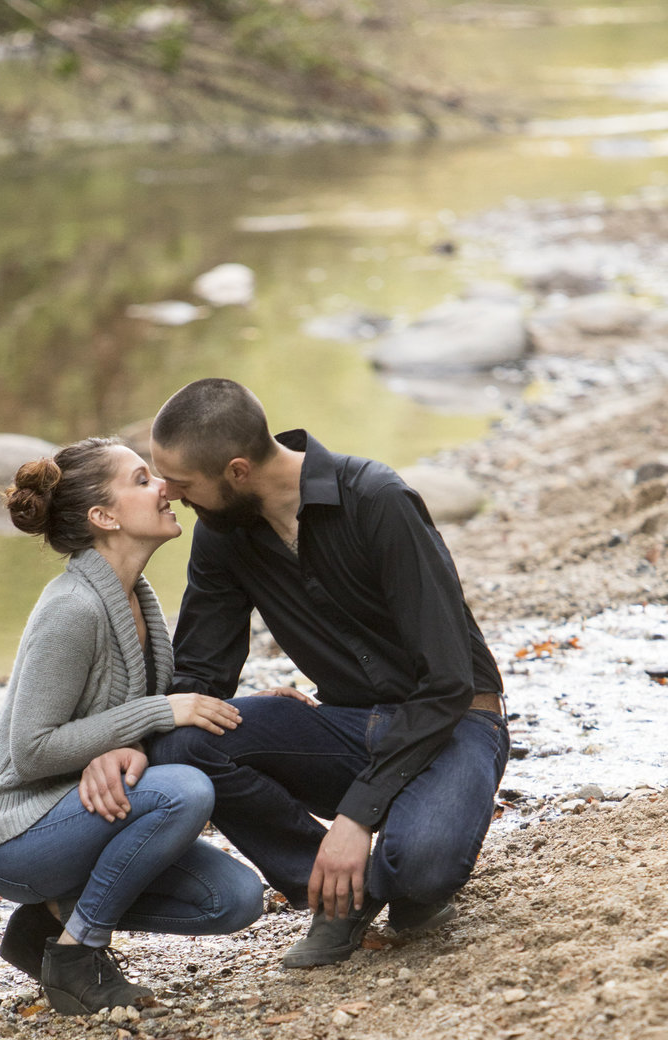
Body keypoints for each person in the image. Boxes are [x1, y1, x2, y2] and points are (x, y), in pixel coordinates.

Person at [145, 379, 508, 969]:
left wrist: (355, 816)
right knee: (182, 740)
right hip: (344, 726)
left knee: (421, 873)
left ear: (237, 470)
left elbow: (447, 683)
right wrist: (135, 738)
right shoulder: (222, 535)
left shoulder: (377, 499)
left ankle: (381, 873)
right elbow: (200, 675)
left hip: (453, 725)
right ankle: (338, 892)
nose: (170, 495)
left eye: (181, 485)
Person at [0, 435, 264, 1016]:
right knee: (185, 792)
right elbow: (32, 752)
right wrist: (151, 718)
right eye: (143, 480)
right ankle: (78, 955)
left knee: (234, 899)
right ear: (104, 516)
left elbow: (117, 726)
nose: (165, 489)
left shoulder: (134, 597)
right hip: (13, 835)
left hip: (76, 814)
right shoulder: (72, 608)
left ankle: (43, 926)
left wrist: (127, 745)